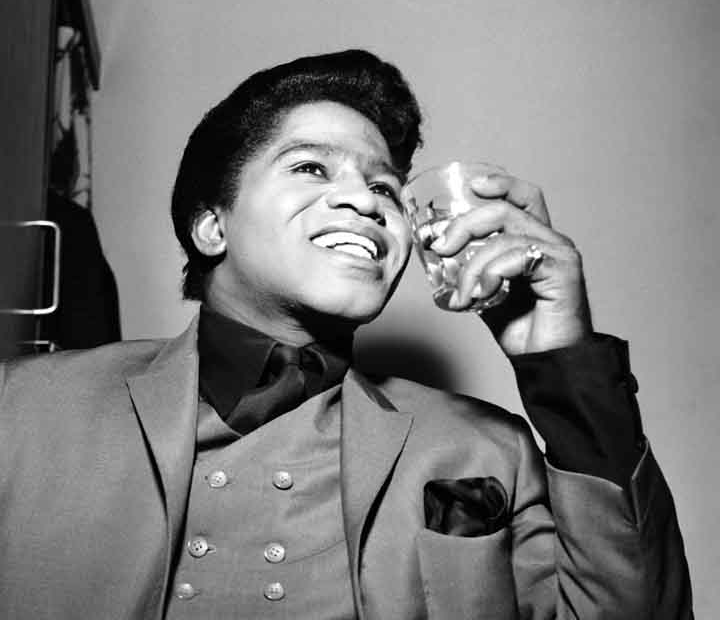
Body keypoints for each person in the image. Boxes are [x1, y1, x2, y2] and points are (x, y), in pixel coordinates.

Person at [0, 49, 692, 619]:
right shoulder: (21, 407)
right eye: (310, 167)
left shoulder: (489, 448)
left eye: (386, 189)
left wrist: (562, 361)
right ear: (211, 226)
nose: (365, 199)